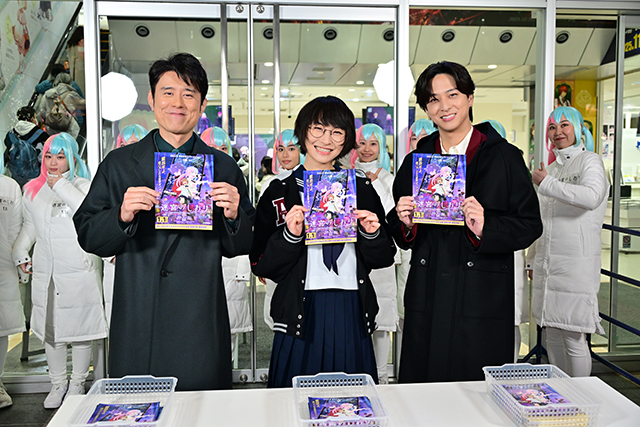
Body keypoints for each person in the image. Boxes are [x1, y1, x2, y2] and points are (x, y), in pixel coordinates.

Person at [73, 52, 255, 391]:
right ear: (152, 99)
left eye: (189, 94)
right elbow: (88, 234)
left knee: (202, 406)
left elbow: (243, 244)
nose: (178, 103)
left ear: (202, 105)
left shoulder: (223, 167)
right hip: (139, 311)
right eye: (168, 92)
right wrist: (121, 215)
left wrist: (234, 216)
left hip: (200, 315)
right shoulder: (119, 164)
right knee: (139, 406)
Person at [388, 61, 542, 383]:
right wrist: (405, 223)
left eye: (452, 95)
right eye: (433, 99)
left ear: (470, 98)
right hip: (428, 292)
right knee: (423, 388)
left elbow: (530, 224)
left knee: (476, 390)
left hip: (481, 294)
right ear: (426, 109)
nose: (444, 106)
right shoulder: (416, 161)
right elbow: (399, 230)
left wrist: (487, 228)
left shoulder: (504, 157)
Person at [251, 95, 396, 388]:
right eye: (318, 129)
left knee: (353, 400)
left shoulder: (361, 188)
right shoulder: (278, 192)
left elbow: (384, 257)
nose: (326, 140)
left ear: (346, 139)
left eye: (337, 132)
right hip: (299, 311)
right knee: (292, 400)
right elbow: (262, 264)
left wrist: (371, 233)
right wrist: (290, 236)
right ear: (303, 131)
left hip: (351, 306)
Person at [13, 133, 107, 409]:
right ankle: (57, 384)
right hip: (47, 270)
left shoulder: (84, 186)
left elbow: (86, 211)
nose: (53, 162)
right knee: (50, 331)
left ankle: (77, 383)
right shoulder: (33, 190)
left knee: (79, 331)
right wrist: (20, 251)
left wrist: (61, 185)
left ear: (73, 158)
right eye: (48, 156)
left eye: (60, 156)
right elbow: (30, 227)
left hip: (78, 269)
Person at [529, 106, 608, 377]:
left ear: (578, 129)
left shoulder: (590, 161)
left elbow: (591, 197)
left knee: (574, 336)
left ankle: (580, 394)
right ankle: (560, 391)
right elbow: (542, 218)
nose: (558, 132)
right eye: (552, 127)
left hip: (576, 265)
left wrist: (547, 184)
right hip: (548, 265)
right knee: (551, 332)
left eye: (565, 125)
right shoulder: (551, 168)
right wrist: (532, 258)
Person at [201, 125, 252, 364]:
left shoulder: (234, 180)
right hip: (199, 267)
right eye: (210, 147)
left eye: (222, 148)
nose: (216, 154)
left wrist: (243, 270)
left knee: (227, 333)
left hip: (229, 267)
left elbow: (246, 223)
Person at [352, 123, 399, 384]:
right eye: (362, 143)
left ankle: (381, 376)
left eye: (373, 143)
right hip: (357, 255)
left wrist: (376, 184)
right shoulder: (347, 176)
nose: (367, 149)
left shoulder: (389, 178)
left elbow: (393, 214)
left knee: (383, 319)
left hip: (382, 254)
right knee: (359, 315)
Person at [261, 129, 304, 330]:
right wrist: (262, 258)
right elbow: (264, 226)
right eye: (280, 149)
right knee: (276, 314)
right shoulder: (269, 184)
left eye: (292, 148)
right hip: (276, 253)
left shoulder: (308, 181)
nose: (285, 154)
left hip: (301, 254)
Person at [0, 144, 25, 409]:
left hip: (2, 263)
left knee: (2, 327)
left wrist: (15, 262)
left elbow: (15, 229)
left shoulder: (9, 187)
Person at [3, 106, 50, 186]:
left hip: (15, 173)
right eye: (35, 116)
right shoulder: (42, 136)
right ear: (31, 119)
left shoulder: (10, 134)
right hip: (34, 176)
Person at [36, 73, 84, 138]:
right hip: (69, 130)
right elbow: (84, 106)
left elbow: (42, 112)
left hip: (52, 131)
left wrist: (51, 120)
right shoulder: (71, 94)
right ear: (69, 83)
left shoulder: (47, 94)